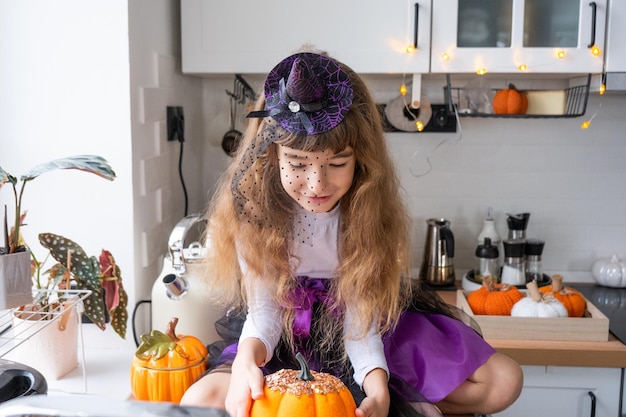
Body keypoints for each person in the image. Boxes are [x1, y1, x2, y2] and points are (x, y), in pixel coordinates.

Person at [180, 49, 523, 417]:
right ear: (272, 158)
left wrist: (376, 385)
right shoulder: (257, 216)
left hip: (367, 329)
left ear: (361, 160)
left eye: (337, 163)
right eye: (297, 164)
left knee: (504, 381)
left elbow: (361, 322)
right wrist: (247, 361)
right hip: (282, 334)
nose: (316, 183)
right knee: (197, 401)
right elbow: (263, 312)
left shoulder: (366, 215)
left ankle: (395, 395)